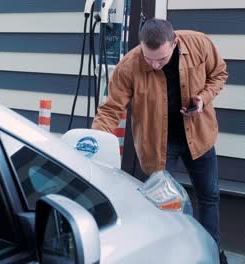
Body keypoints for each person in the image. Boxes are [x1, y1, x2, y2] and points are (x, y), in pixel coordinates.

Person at [92, 18, 228, 263]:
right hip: (158, 145)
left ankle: (213, 254)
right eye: (149, 58)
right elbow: (111, 110)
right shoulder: (129, 66)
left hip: (198, 136)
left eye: (161, 59)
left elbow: (219, 74)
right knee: (161, 207)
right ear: (141, 46)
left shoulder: (200, 44)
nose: (154, 65)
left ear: (174, 43)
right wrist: (92, 144)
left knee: (209, 197)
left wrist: (203, 98)